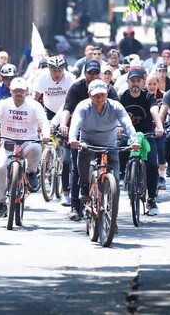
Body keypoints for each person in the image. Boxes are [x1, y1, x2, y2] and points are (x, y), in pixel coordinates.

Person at [68, 79, 140, 221]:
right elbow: (75, 123)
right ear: (89, 95)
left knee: (115, 184)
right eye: (95, 95)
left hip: (110, 146)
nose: (99, 98)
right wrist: (72, 139)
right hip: (88, 144)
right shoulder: (83, 106)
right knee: (82, 155)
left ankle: (112, 218)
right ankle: (84, 186)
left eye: (102, 94)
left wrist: (134, 139)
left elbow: (127, 123)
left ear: (107, 94)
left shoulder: (115, 106)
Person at [58, 60, 119, 219]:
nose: (93, 76)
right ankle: (75, 207)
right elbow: (67, 108)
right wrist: (64, 125)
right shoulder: (76, 88)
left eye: (95, 73)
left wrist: (119, 127)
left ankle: (110, 212)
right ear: (84, 74)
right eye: (90, 73)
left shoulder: (108, 89)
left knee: (112, 172)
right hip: (79, 132)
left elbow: (119, 109)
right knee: (77, 169)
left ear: (100, 74)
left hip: (103, 134)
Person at [0, 78, 50, 217]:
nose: (19, 93)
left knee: (36, 149)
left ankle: (31, 172)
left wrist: (46, 134)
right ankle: (0, 202)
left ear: (26, 91)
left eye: (21, 91)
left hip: (28, 142)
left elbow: (43, 121)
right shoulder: (3, 104)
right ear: (10, 91)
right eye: (16, 90)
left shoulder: (34, 105)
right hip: (7, 143)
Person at [118, 70, 165, 215]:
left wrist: (159, 126)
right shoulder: (122, 98)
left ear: (143, 83)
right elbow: (116, 114)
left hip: (146, 135)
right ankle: (122, 175)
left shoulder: (148, 96)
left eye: (138, 81)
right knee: (120, 150)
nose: (135, 84)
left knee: (151, 165)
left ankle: (151, 199)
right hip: (127, 135)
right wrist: (118, 127)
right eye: (133, 81)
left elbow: (154, 111)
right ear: (128, 82)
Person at [33, 56, 76, 205]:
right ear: (49, 69)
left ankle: (66, 190)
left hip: (66, 111)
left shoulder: (70, 78)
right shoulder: (42, 77)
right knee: (45, 136)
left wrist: (59, 122)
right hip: (48, 110)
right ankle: (46, 161)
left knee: (65, 153)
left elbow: (70, 101)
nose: (57, 73)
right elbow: (35, 98)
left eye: (59, 70)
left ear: (63, 69)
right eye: (54, 70)